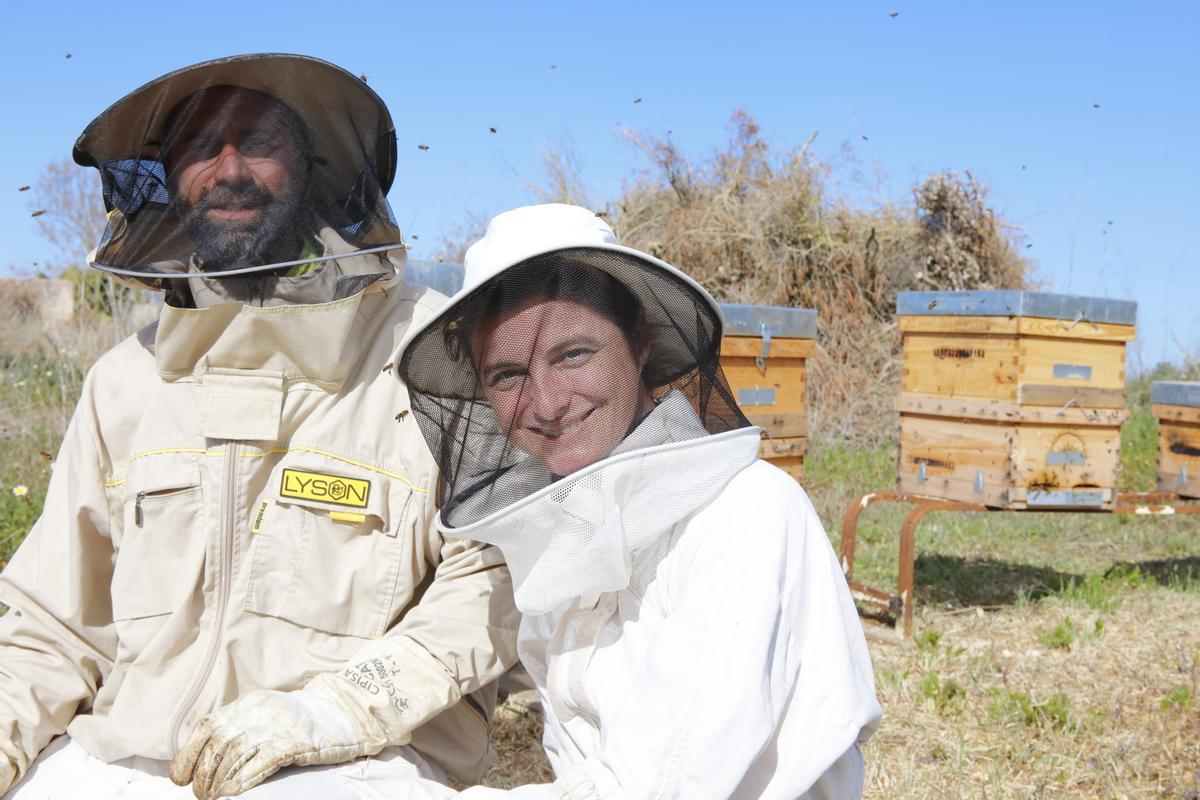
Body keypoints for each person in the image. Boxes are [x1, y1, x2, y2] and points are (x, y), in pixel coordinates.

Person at [0, 54, 518, 799]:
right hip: (126, 762)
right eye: (200, 146)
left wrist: (344, 708)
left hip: (355, 765)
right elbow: (54, 627)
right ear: (169, 177)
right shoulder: (123, 382)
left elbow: (494, 576)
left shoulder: (438, 355)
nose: (228, 167)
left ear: (316, 167)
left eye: (259, 141)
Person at [388, 203, 883, 799]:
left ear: (639, 343)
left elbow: (668, 782)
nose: (545, 403)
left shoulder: (749, 513)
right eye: (508, 375)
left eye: (573, 354)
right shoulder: (564, 536)